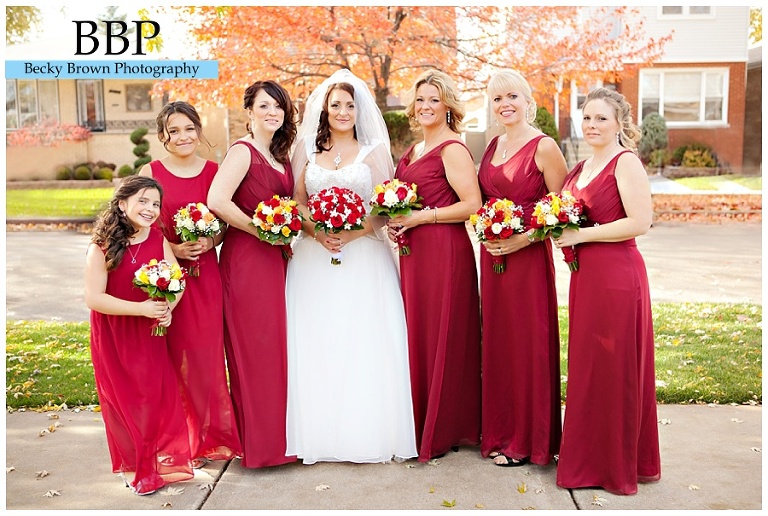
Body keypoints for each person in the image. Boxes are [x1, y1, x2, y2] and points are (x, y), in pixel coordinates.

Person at [286, 69, 417, 464]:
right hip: (313, 256)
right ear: (324, 110)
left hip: (364, 257)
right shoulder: (306, 150)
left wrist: (352, 234)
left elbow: (385, 209)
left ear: (360, 110)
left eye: (350, 105)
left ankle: (368, 433)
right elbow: (297, 203)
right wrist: (315, 230)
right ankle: (319, 434)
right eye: (336, 105)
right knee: (317, 338)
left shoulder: (374, 151)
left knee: (362, 338)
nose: (343, 112)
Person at [553, 87, 661, 495]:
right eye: (587, 118)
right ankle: (588, 457)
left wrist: (583, 234)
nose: (592, 125)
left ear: (619, 123)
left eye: (601, 118)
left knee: (614, 367)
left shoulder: (625, 162)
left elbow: (640, 222)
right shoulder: (580, 168)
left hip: (617, 277)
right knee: (589, 366)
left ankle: (614, 465)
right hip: (586, 278)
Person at [138, 101, 242, 468]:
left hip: (207, 278)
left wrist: (211, 241)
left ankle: (207, 438)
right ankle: (178, 439)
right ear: (163, 137)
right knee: (171, 360)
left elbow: (228, 220)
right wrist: (173, 247)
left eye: (188, 128)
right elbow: (138, 225)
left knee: (205, 358)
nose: (183, 137)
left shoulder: (215, 171)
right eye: (174, 131)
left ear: (198, 130)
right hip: (167, 280)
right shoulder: (149, 172)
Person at [388, 69, 482, 462]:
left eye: (435, 100)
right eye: (421, 99)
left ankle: (446, 427)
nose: (426, 106)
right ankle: (422, 418)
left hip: (445, 253)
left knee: (445, 332)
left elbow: (472, 205)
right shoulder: (412, 151)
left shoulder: (453, 149)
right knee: (420, 332)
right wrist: (397, 224)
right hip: (415, 255)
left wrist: (422, 218)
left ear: (448, 107)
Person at [477, 70, 568, 467]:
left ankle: (528, 440)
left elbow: (562, 210)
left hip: (527, 259)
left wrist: (523, 238)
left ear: (528, 101)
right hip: (493, 258)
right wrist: (486, 230)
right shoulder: (492, 144)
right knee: (498, 344)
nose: (504, 104)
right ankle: (499, 431)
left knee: (527, 344)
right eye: (497, 99)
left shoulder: (544, 146)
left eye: (511, 96)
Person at [207, 80, 297, 468]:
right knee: (255, 349)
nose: (272, 113)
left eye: (278, 107)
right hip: (247, 261)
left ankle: (282, 437)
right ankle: (262, 447)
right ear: (250, 112)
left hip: (276, 259)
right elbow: (216, 200)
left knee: (277, 348)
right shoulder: (243, 152)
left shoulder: (280, 155)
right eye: (264, 106)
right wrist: (257, 228)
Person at [85, 175, 193, 495]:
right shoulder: (100, 246)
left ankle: (148, 468)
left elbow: (177, 281)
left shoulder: (157, 238)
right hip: (114, 331)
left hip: (149, 332)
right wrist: (142, 309)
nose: (150, 209)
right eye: (142, 201)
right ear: (122, 204)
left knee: (149, 397)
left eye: (155, 203)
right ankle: (132, 461)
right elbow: (94, 298)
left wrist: (167, 307)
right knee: (122, 400)